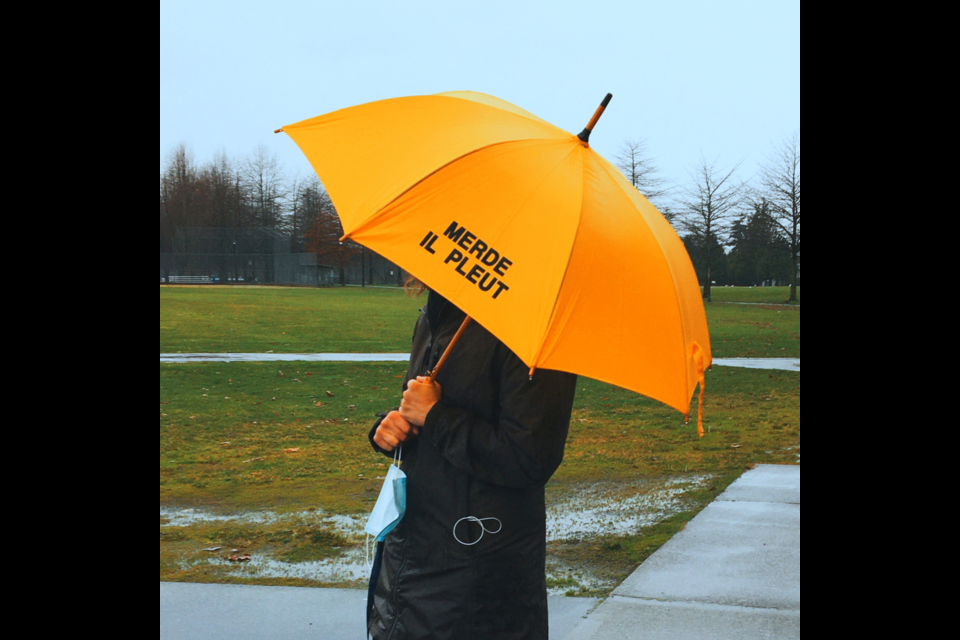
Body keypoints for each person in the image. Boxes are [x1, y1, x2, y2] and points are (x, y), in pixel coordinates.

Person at [367, 288, 578, 640]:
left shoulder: (531, 333)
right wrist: (392, 426)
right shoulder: (436, 314)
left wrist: (435, 416)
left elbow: (529, 457)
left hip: (477, 583)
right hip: (412, 557)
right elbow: (424, 404)